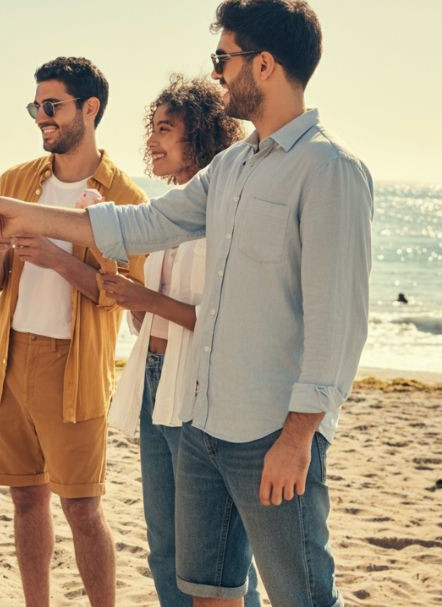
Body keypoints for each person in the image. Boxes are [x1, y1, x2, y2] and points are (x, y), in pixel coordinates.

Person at [0, 2, 373, 605]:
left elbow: (338, 323)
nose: (217, 73)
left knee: (302, 596)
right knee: (207, 591)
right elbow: (145, 223)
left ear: (263, 65)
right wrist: (18, 210)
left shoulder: (329, 170)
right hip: (201, 421)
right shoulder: (233, 166)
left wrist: (299, 438)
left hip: (270, 433)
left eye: (224, 58)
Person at [0, 57, 146, 607]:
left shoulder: (127, 200)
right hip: (9, 358)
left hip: (74, 367)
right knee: (25, 498)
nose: (41, 116)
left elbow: (125, 297)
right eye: (36, 106)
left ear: (89, 109)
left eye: (52, 106)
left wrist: (57, 258)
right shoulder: (17, 182)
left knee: (83, 508)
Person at [100, 76, 261, 607]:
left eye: (164, 130)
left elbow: (225, 321)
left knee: (217, 553)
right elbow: (153, 314)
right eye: (153, 130)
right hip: (154, 379)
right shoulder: (169, 211)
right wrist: (128, 295)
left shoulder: (226, 212)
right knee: (164, 544)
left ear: (203, 132)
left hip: (198, 390)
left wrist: (141, 299)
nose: (151, 142)